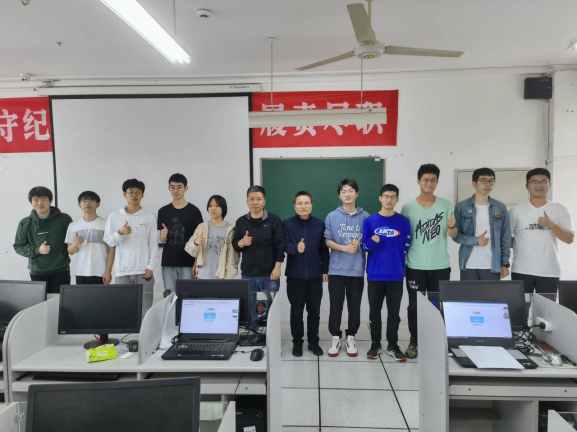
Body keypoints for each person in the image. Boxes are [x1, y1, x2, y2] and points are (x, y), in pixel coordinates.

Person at [401, 164, 457, 359]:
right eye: (425, 180)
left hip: (440, 265)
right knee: (414, 306)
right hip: (415, 265)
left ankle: (435, 341)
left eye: (433, 180)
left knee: (437, 305)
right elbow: (404, 237)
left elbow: (453, 235)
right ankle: (415, 341)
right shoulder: (408, 207)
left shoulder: (445, 205)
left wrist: (452, 226)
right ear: (418, 181)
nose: (429, 183)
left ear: (437, 182)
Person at [362, 184, 411, 361]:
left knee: (394, 313)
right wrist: (372, 243)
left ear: (397, 199)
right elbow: (365, 247)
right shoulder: (370, 221)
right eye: (386, 196)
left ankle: (393, 344)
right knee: (374, 312)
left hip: (396, 275)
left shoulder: (403, 221)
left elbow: (407, 246)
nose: (389, 200)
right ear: (380, 198)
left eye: (392, 197)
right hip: (375, 274)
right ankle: (375, 344)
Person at [510, 168, 574, 294]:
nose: (539, 185)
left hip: (549, 271)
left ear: (549, 185)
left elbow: (569, 239)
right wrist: (522, 244)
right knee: (521, 305)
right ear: (527, 186)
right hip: (522, 269)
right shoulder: (516, 210)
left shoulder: (560, 209)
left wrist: (551, 225)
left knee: (546, 306)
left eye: (543, 181)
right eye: (534, 182)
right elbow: (505, 238)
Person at [325, 179, 369, 357]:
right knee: (335, 306)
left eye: (351, 190)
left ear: (356, 193)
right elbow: (327, 240)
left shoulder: (366, 217)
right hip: (336, 269)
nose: (347, 194)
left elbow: (368, 241)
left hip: (356, 269)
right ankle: (335, 337)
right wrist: (344, 248)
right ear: (339, 195)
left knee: (354, 306)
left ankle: (351, 336)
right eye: (344, 191)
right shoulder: (331, 216)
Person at [283, 191, 330, 357]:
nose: (303, 206)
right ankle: (297, 342)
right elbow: (284, 245)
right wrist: (295, 248)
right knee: (296, 312)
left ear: (311, 205)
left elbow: (324, 250)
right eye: (300, 203)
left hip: (315, 276)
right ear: (295, 206)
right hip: (295, 276)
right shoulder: (287, 224)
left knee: (314, 311)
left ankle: (313, 342)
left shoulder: (319, 224)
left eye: (307, 203)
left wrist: (325, 270)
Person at [104, 179, 159, 309]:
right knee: (123, 308)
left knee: (145, 308)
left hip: (144, 270)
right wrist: (119, 233)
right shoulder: (115, 216)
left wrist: (151, 265)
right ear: (124, 194)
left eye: (138, 192)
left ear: (142, 195)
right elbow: (109, 241)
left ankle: (144, 325)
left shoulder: (149, 216)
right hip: (122, 270)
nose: (134, 195)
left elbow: (153, 243)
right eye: (131, 192)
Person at [232, 185, 285, 316]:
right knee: (250, 312)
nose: (255, 202)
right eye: (252, 199)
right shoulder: (241, 221)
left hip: (269, 274)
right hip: (248, 274)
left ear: (264, 201)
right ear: (247, 201)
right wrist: (242, 242)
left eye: (258, 199)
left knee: (270, 311)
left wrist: (277, 268)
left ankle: (268, 331)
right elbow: (235, 245)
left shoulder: (274, 220)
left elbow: (280, 246)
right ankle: (252, 330)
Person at [453, 168, 511, 281]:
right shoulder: (461, 207)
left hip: (492, 265)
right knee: (468, 293)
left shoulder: (500, 207)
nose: (488, 184)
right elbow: (456, 236)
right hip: (468, 264)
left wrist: (505, 264)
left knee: (491, 293)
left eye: (491, 181)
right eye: (483, 180)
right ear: (474, 183)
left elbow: (505, 237)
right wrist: (475, 241)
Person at [14, 186, 73, 294]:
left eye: (43, 199)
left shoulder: (64, 219)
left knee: (60, 301)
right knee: (41, 302)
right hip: (37, 272)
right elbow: (18, 247)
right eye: (36, 200)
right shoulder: (25, 223)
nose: (39, 203)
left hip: (61, 270)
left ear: (50, 201)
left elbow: (71, 243)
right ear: (31, 202)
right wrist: (37, 250)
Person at [157, 174, 203, 293]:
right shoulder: (163, 211)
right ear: (169, 188)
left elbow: (200, 239)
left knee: (187, 297)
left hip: (188, 262)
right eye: (172, 187)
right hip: (168, 262)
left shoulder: (194, 211)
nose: (175, 190)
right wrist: (163, 236)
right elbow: (162, 240)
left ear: (185, 188)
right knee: (170, 297)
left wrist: (196, 262)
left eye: (179, 187)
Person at [65, 191, 115, 285]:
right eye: (84, 200)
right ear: (79, 205)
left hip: (101, 272)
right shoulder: (73, 225)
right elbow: (70, 251)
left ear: (98, 204)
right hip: (81, 272)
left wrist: (108, 271)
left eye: (91, 200)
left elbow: (111, 250)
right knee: (82, 295)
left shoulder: (106, 223)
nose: (88, 203)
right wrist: (76, 243)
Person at [185, 195, 240, 279]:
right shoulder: (202, 227)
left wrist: (228, 279)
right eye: (210, 206)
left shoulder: (230, 230)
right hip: (202, 276)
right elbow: (189, 250)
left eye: (217, 206)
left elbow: (232, 259)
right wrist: (195, 242)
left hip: (221, 278)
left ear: (223, 208)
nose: (213, 208)